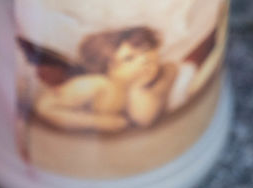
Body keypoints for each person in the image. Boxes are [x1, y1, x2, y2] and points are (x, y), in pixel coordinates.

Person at [34, 27, 177, 133]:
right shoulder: (98, 85)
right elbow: (44, 107)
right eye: (129, 58)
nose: (144, 59)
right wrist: (98, 122)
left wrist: (137, 88)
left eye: (146, 49)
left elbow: (144, 118)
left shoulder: (164, 71)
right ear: (107, 69)